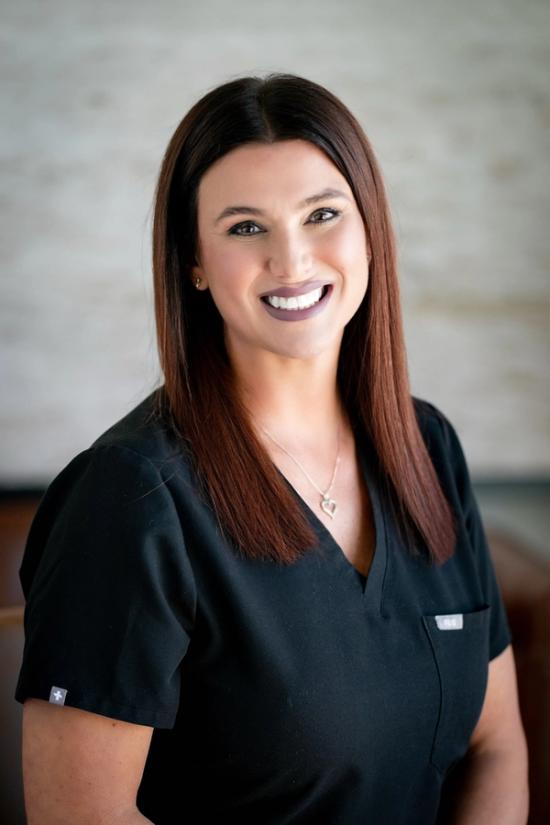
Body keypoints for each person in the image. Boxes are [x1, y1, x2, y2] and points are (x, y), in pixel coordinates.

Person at [15, 73, 528, 825]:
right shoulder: (129, 496)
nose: (292, 261)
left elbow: (497, 743)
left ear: (370, 230)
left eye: (323, 214)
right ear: (193, 261)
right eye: (245, 227)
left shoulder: (428, 448)